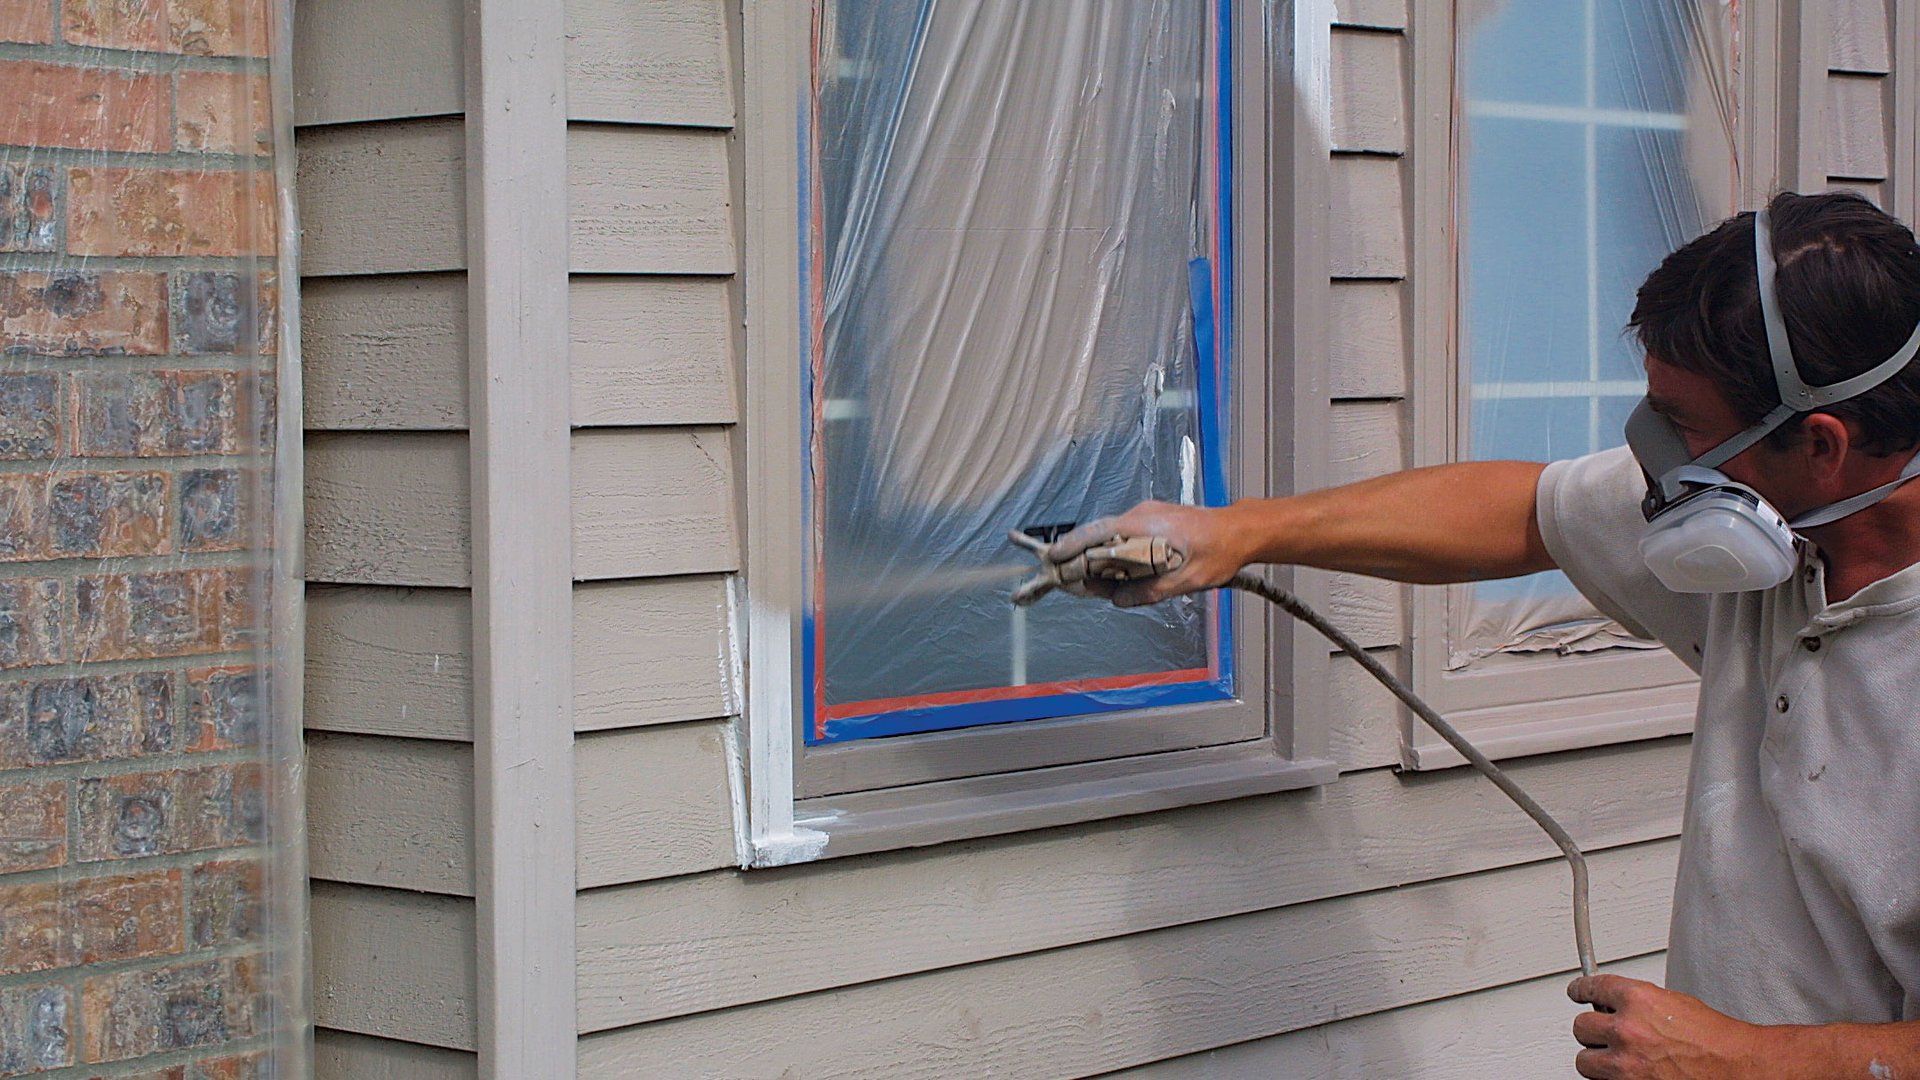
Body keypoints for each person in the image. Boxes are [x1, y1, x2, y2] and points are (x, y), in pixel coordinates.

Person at [1040, 190, 1920, 1080]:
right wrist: (1239, 533)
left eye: (1684, 428)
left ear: (1821, 447)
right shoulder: (1775, 532)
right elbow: (1521, 514)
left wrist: (1748, 1060)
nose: (1657, 462)